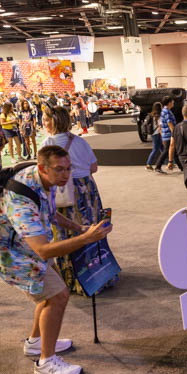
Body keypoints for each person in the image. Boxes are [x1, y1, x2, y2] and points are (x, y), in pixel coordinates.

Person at [0, 144, 112, 374]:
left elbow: (50, 212)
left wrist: (78, 227)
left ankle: (36, 342)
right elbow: (44, 250)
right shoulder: (20, 197)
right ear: (42, 168)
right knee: (56, 296)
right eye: (59, 170)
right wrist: (85, 238)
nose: (65, 175)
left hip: (23, 246)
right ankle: (46, 363)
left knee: (49, 292)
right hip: (8, 252)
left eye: (68, 168)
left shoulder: (42, 182)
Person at [42, 108, 118, 295]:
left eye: (45, 120)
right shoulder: (80, 141)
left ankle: (71, 277)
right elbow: (93, 166)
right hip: (87, 191)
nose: (43, 123)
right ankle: (97, 274)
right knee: (91, 228)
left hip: (62, 192)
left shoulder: (48, 144)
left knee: (65, 233)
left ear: (53, 121)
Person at [156, 96, 176, 172]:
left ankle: (180, 166)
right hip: (168, 134)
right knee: (166, 150)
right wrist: (174, 132)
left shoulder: (164, 110)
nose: (173, 102)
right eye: (172, 101)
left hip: (166, 133)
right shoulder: (166, 111)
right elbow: (169, 122)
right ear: (169, 102)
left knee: (172, 150)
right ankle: (158, 166)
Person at [144, 102, 165, 173]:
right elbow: (160, 127)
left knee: (162, 148)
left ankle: (167, 161)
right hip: (157, 134)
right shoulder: (159, 115)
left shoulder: (151, 115)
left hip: (153, 133)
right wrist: (163, 136)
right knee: (155, 149)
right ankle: (148, 164)